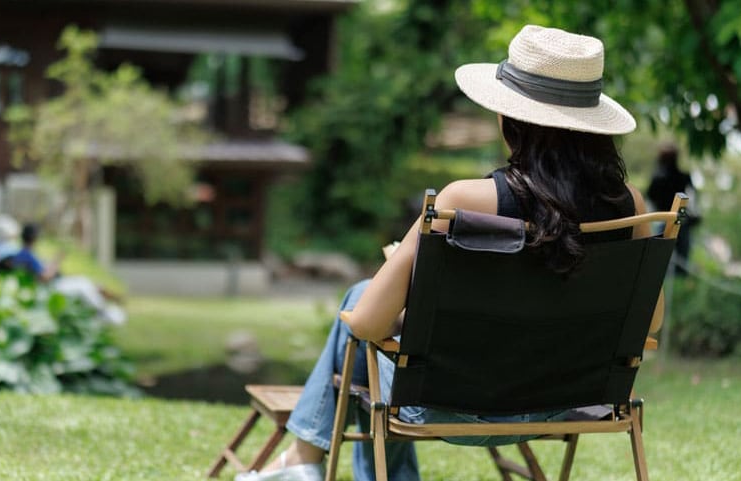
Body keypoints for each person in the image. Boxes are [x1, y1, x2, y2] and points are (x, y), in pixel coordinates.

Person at [234, 25, 664, 481]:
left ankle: (303, 461)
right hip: (563, 405)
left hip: (449, 406)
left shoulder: (463, 201)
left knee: (358, 300)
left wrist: (409, 287)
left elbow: (365, 325)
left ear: (510, 118)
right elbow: (649, 323)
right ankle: (304, 463)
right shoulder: (629, 208)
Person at [647, 143, 697, 274]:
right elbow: (692, 200)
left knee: (661, 261)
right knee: (679, 258)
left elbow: (650, 199)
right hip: (677, 220)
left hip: (666, 220)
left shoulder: (657, 178)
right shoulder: (683, 177)